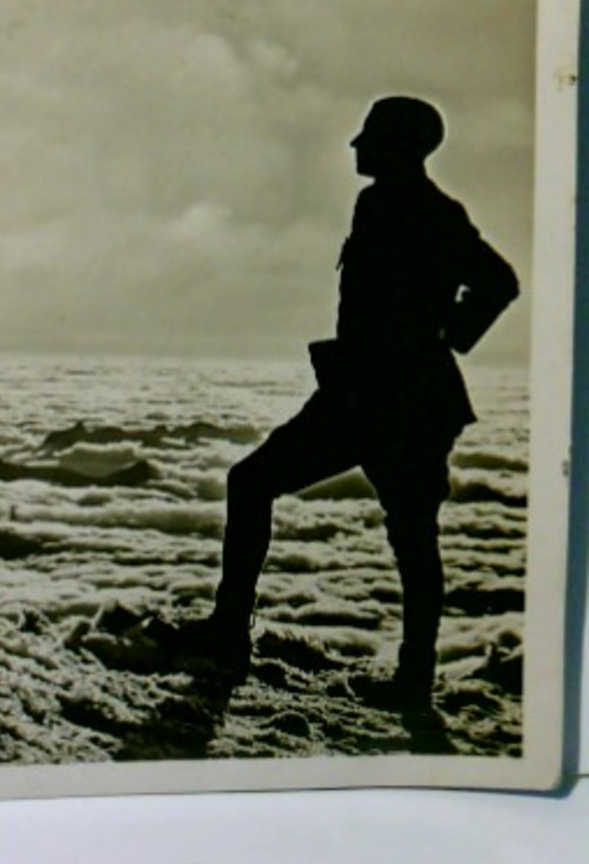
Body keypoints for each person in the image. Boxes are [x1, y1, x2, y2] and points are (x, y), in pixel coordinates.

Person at [179, 96, 520, 711]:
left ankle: (232, 638)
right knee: (410, 536)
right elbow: (494, 282)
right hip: (396, 394)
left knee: (259, 485)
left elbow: (499, 280)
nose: (355, 147)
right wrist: (448, 335)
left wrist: (446, 336)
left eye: (368, 137)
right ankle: (411, 678)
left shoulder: (414, 208)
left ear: (395, 146)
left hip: (383, 398)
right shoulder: (409, 206)